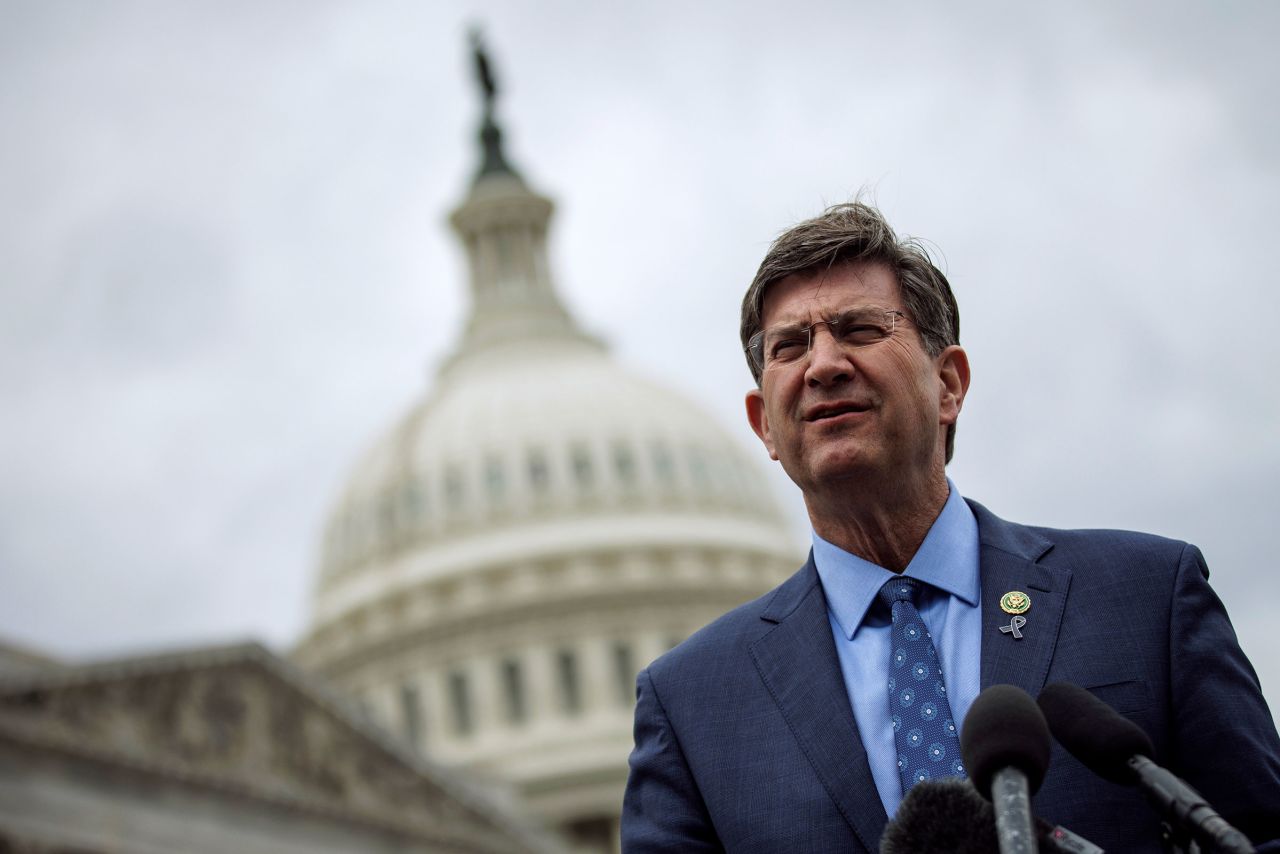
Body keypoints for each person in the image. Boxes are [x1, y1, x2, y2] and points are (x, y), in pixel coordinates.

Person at [621, 202, 1280, 853]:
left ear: (949, 384)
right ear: (764, 423)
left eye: (859, 330)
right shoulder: (693, 704)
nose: (823, 365)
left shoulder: (1144, 598)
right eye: (790, 346)